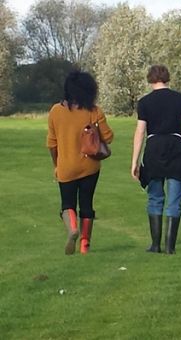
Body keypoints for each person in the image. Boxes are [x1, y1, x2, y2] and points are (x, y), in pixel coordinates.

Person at [131, 65, 181, 255]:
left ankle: (155, 245)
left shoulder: (144, 102)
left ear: (150, 80)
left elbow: (140, 131)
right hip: (176, 146)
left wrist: (135, 161)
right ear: (167, 78)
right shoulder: (180, 99)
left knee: (155, 197)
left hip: (153, 149)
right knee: (174, 201)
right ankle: (170, 246)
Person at [47, 71, 114, 255]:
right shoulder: (94, 111)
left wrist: (57, 165)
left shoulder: (55, 111)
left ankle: (72, 229)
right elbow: (108, 137)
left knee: (67, 204)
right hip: (90, 166)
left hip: (65, 166)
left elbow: (51, 144)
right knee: (86, 204)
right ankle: (85, 245)